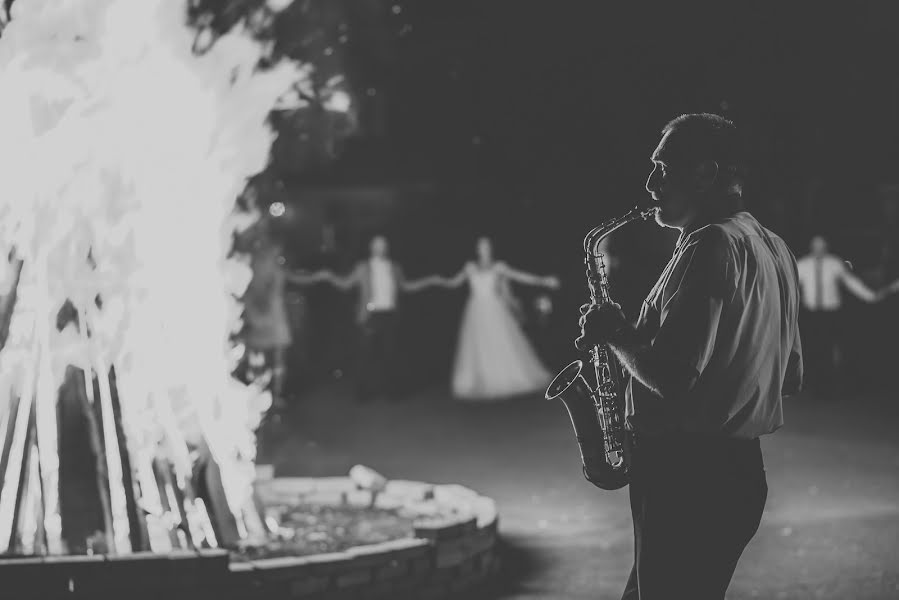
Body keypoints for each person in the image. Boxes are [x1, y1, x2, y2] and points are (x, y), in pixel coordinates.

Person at [576, 113, 803, 599]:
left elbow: (675, 376)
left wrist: (615, 335)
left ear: (705, 172)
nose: (650, 182)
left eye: (662, 167)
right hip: (737, 472)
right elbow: (788, 375)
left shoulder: (710, 244)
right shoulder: (774, 247)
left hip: (687, 479)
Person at [293, 234, 441, 402]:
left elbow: (406, 286)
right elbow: (346, 284)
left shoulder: (394, 267)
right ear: (371, 247)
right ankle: (362, 393)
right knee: (365, 355)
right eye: (377, 244)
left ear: (387, 247)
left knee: (389, 354)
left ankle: (390, 393)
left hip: (390, 314)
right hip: (370, 315)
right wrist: (329, 276)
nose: (381, 247)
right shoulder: (363, 267)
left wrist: (430, 281)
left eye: (383, 244)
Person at [435, 236, 560, 401]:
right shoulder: (470, 267)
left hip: (494, 309)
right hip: (475, 311)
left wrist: (543, 281)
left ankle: (503, 378)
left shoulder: (499, 266)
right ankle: (483, 379)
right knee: (479, 345)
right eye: (481, 245)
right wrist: (436, 280)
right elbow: (453, 283)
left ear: (491, 248)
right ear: (477, 249)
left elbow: (520, 276)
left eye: (486, 245)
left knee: (499, 342)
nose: (484, 248)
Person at [795, 234, 883, 392]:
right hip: (811, 313)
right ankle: (815, 383)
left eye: (821, 246)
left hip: (831, 312)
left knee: (830, 347)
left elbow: (851, 283)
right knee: (812, 346)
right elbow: (791, 285)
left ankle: (829, 383)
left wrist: (871, 296)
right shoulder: (802, 265)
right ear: (811, 246)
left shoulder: (834, 264)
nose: (818, 249)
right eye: (815, 246)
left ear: (826, 246)